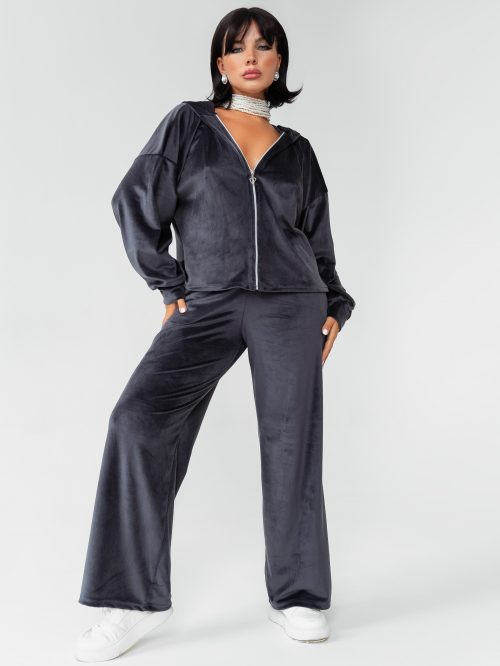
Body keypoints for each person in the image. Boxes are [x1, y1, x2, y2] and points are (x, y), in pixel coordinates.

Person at [74, 7, 356, 661]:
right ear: (220, 62)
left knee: (292, 443)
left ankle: (298, 595)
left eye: (263, 46)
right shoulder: (189, 124)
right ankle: (133, 601)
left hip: (292, 303)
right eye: (236, 47)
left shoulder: (298, 151)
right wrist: (168, 283)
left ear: (279, 61)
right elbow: (133, 199)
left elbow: (317, 241)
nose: (250, 56)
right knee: (137, 420)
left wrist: (335, 304)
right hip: (207, 300)